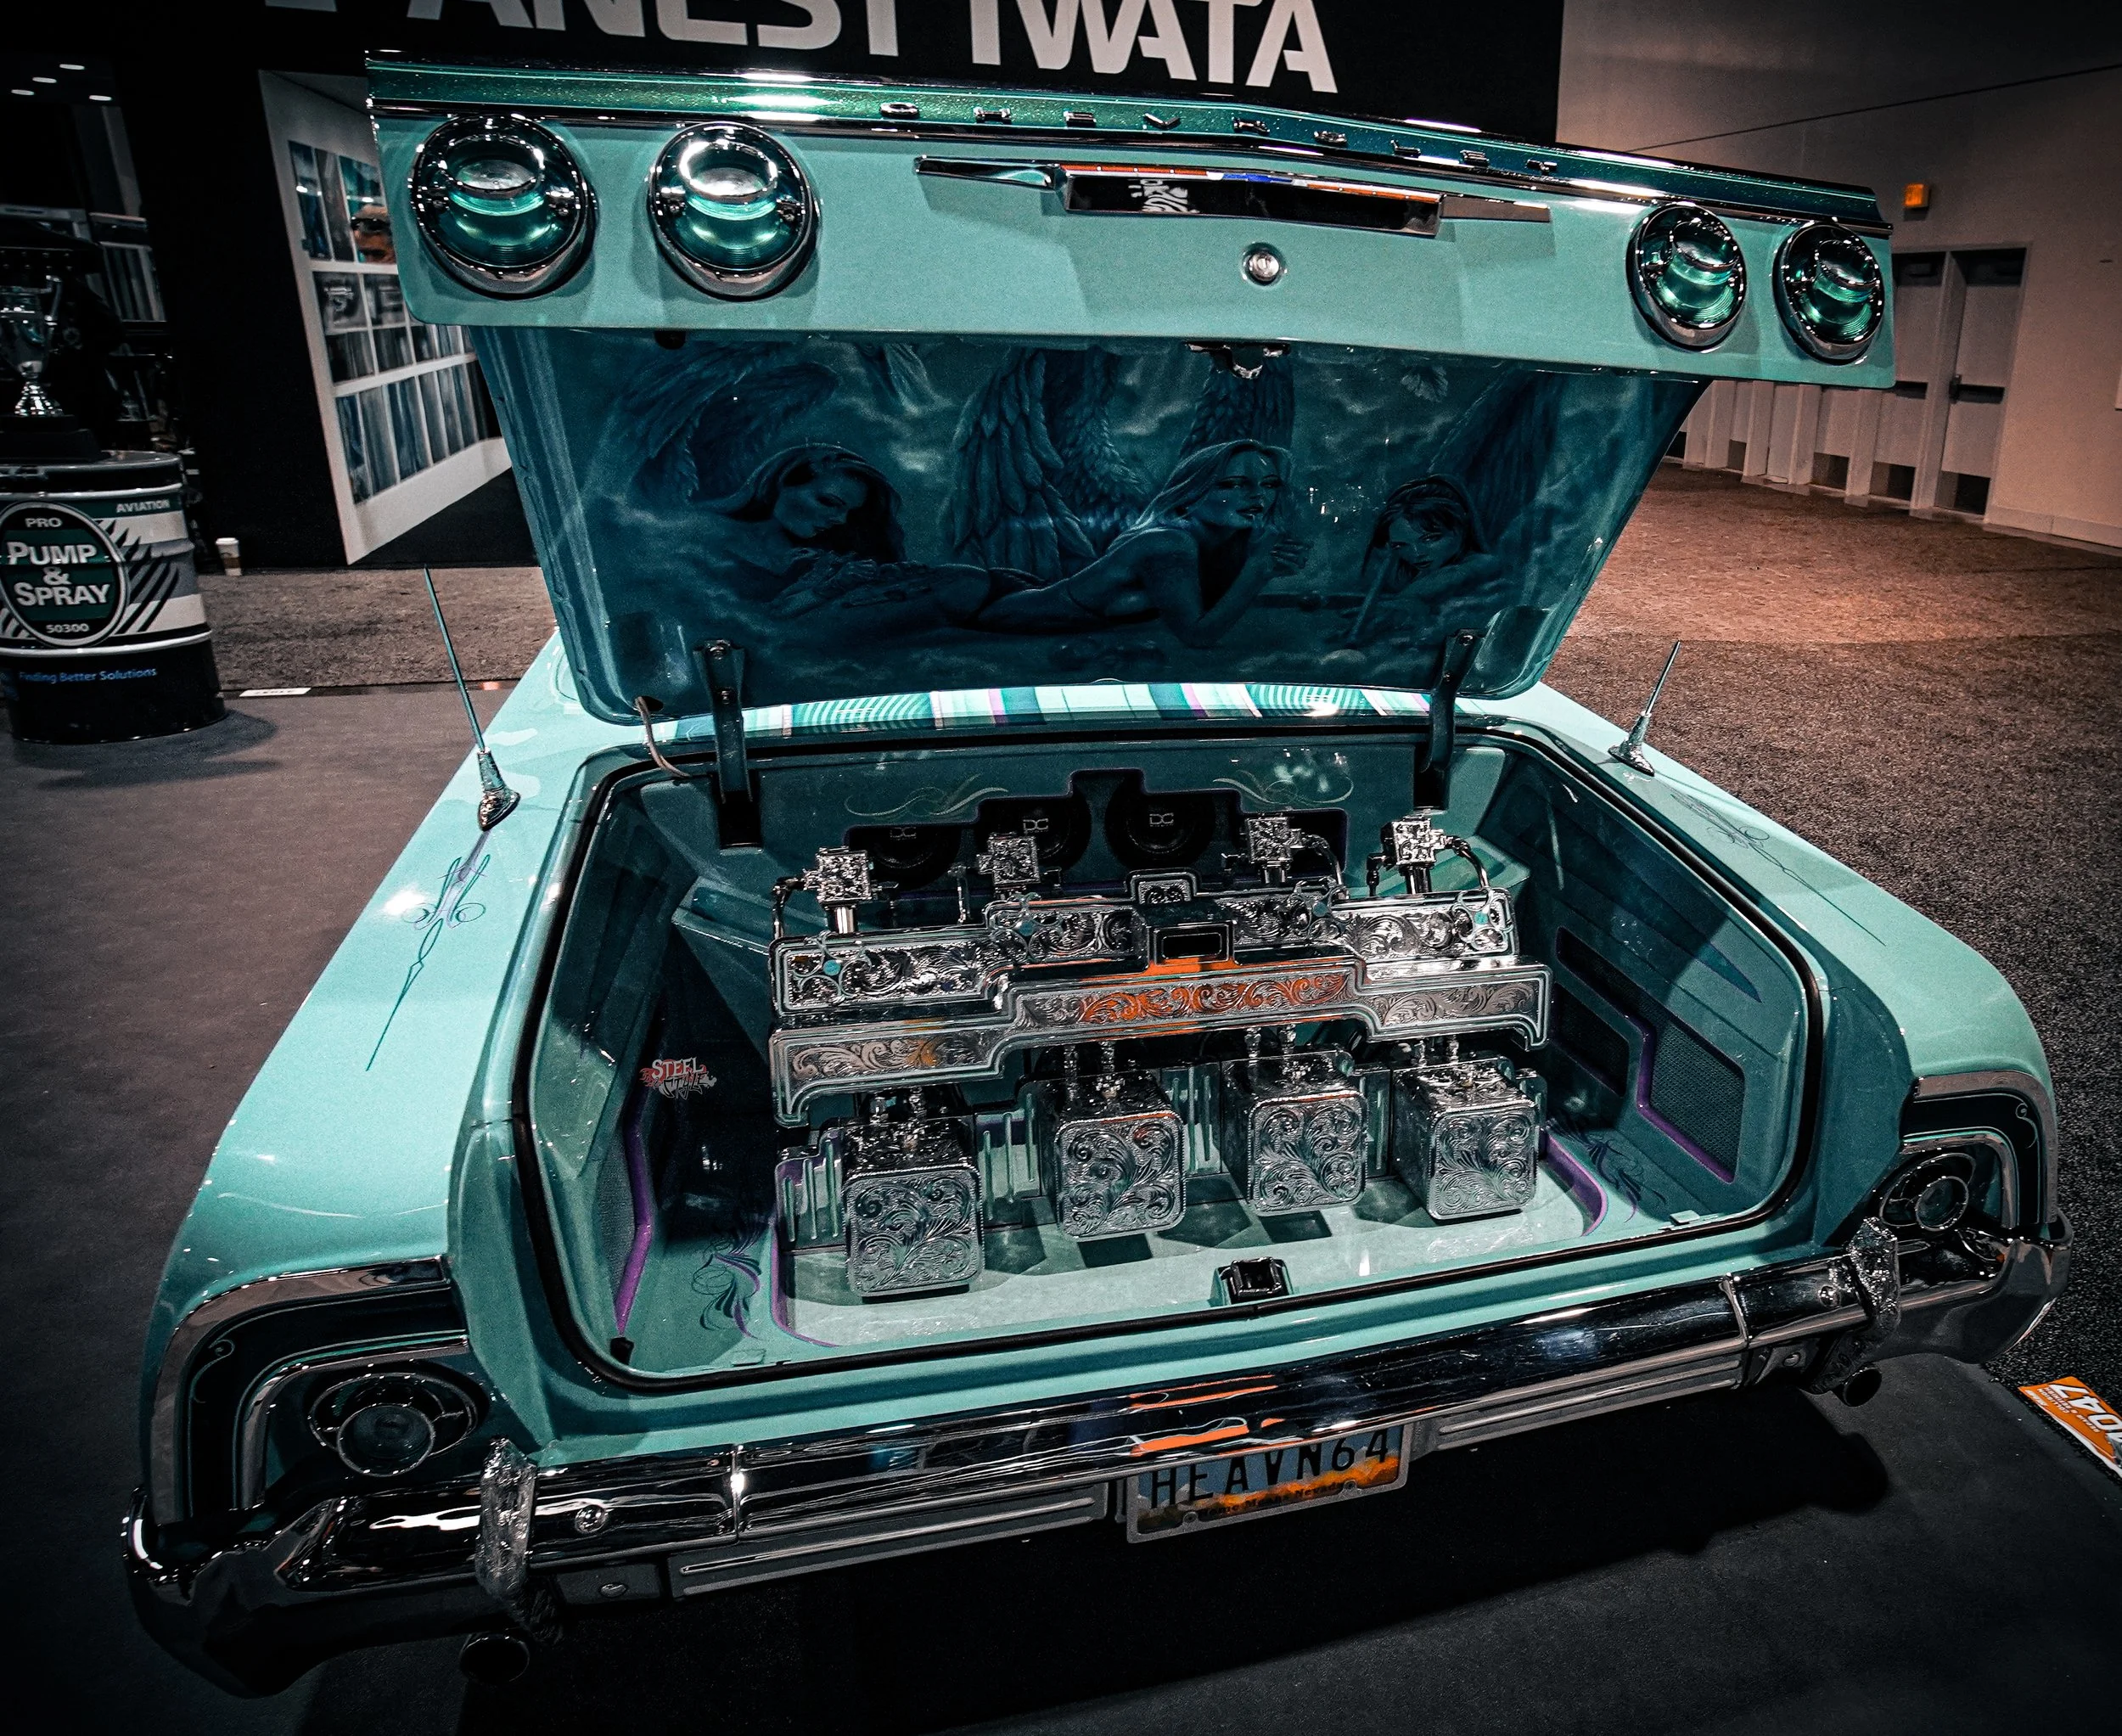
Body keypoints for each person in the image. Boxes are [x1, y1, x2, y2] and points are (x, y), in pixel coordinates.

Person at [960, 440, 1307, 647]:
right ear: (1191, 492)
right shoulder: (1167, 544)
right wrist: (1257, 571)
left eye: (1270, 484)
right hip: (1008, 614)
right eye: (1233, 484)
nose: (1257, 496)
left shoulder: (1230, 539)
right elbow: (1198, 636)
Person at [693, 443, 904, 603]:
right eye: (828, 502)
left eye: (850, 512)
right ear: (783, 481)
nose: (840, 520)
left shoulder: (820, 559)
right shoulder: (697, 532)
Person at [1345, 475, 1486, 646]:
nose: (1417, 553)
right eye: (1401, 545)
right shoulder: (1410, 574)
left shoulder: (1482, 567)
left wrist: (1405, 603)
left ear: (1461, 525)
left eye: (1429, 539)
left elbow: (1470, 570)